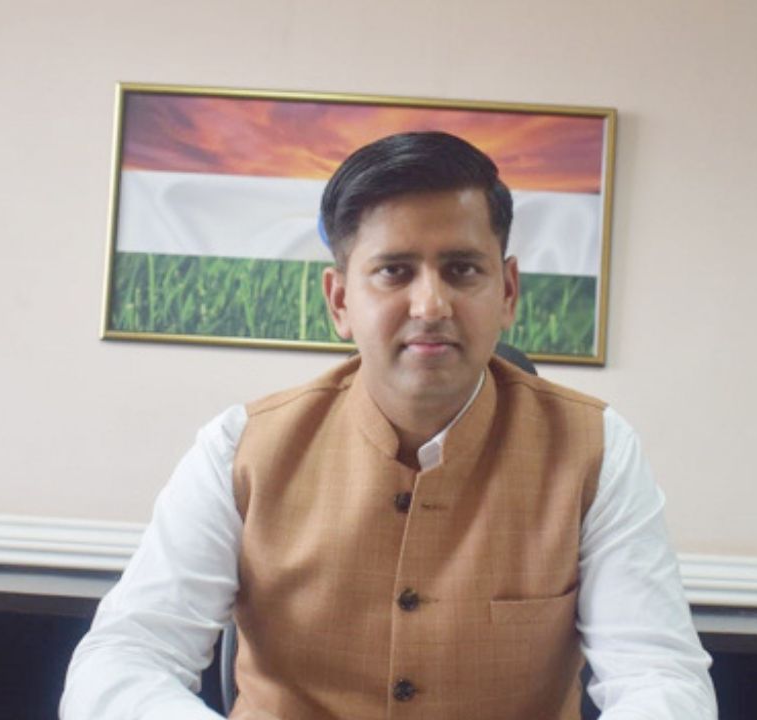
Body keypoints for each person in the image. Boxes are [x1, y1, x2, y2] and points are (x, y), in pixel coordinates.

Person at [61, 131, 716, 719]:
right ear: (340, 300)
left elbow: (660, 676)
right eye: (394, 271)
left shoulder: (597, 451)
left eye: (462, 270)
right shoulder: (239, 450)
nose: (430, 305)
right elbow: (126, 654)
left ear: (508, 291)